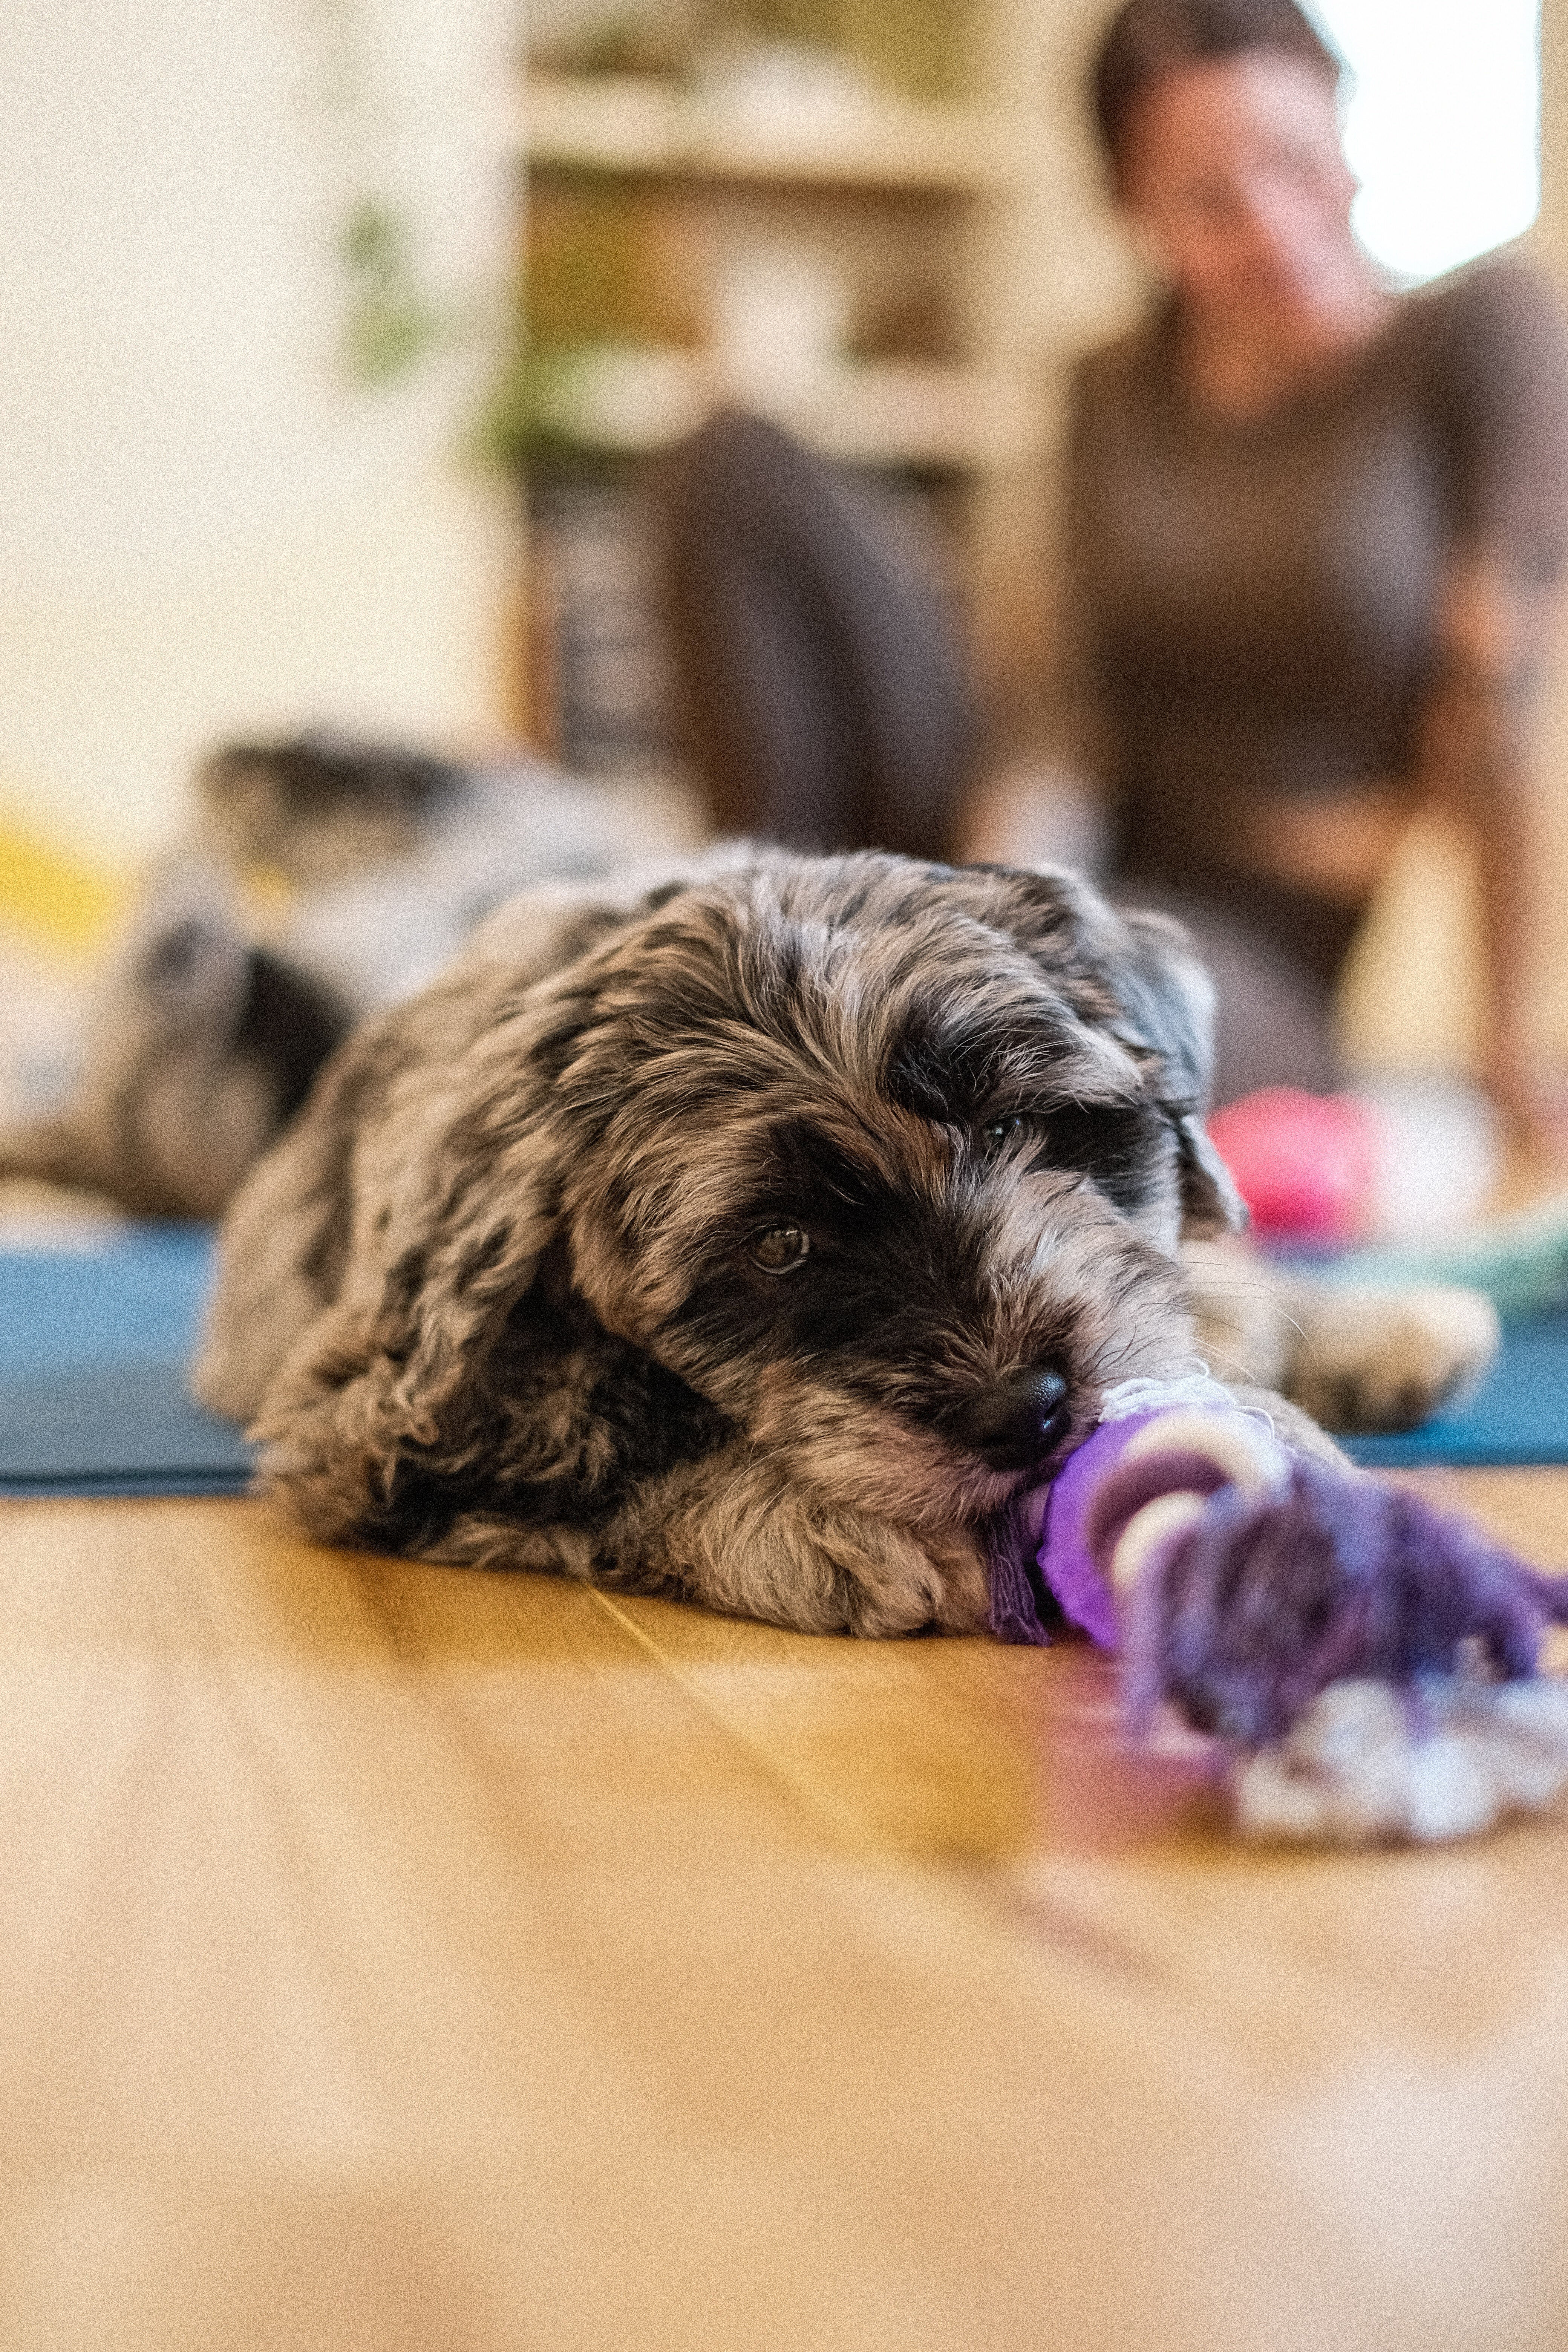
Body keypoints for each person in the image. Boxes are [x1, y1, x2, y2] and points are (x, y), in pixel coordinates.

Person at [659, 0, 1568, 1115]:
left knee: (1035, 1020)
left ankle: (887, 983)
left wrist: (1511, 1048)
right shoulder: (1109, 386)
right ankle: (759, 962)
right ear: (1132, 210)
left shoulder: (1479, 337)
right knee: (732, 464)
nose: (1273, 225)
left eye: (1292, 160)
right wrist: (1002, 892)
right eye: (1207, 200)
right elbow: (1059, 709)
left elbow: (1499, 707)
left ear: (1340, 115)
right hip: (1042, 857)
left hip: (1248, 944)